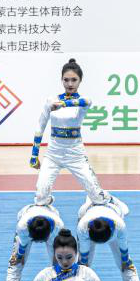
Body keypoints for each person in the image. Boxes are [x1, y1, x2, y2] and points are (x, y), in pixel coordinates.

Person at [30, 58, 111, 207]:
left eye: (74, 80)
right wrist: (34, 155)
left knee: (98, 199)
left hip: (76, 155)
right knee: (40, 198)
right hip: (53, 154)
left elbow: (86, 101)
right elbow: (40, 127)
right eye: (66, 80)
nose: (70, 84)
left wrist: (63, 104)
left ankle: (109, 200)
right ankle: (47, 201)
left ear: (80, 81)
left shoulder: (82, 101)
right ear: (61, 80)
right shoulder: (51, 100)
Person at [77, 195, 140, 281]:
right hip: (88, 225)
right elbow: (83, 254)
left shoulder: (120, 225)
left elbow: (124, 250)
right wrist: (83, 266)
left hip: (115, 223)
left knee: (126, 264)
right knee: (81, 267)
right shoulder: (82, 226)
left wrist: (125, 262)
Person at [0, 201, 64, 281]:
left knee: (60, 265)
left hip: (52, 227)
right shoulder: (22, 227)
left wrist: (57, 265)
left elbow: (58, 253)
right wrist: (19, 257)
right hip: (26, 219)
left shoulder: (58, 227)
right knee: (15, 264)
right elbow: (22, 246)